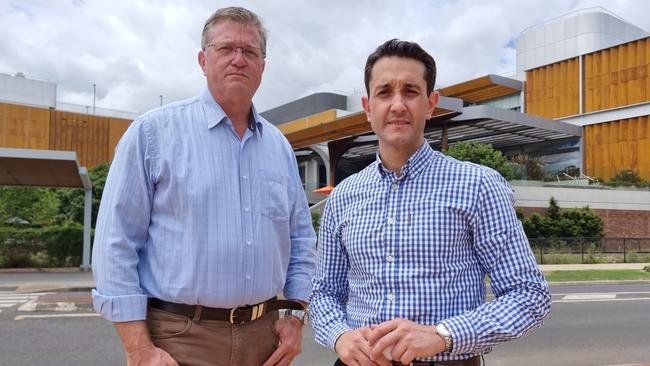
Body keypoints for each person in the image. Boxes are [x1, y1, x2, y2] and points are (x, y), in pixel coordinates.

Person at [91, 7, 316, 366]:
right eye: (226, 49)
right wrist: (138, 348)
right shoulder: (153, 133)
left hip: (264, 339)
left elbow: (302, 241)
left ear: (263, 64)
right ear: (203, 59)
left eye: (250, 52)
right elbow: (116, 244)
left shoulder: (279, 147)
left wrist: (295, 316)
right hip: (179, 338)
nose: (239, 60)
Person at [310, 39, 551, 366]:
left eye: (410, 91)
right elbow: (324, 292)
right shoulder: (344, 195)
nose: (397, 105)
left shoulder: (478, 186)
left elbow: (529, 295)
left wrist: (443, 334)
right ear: (368, 108)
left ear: (431, 103)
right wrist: (340, 336)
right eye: (384, 92)